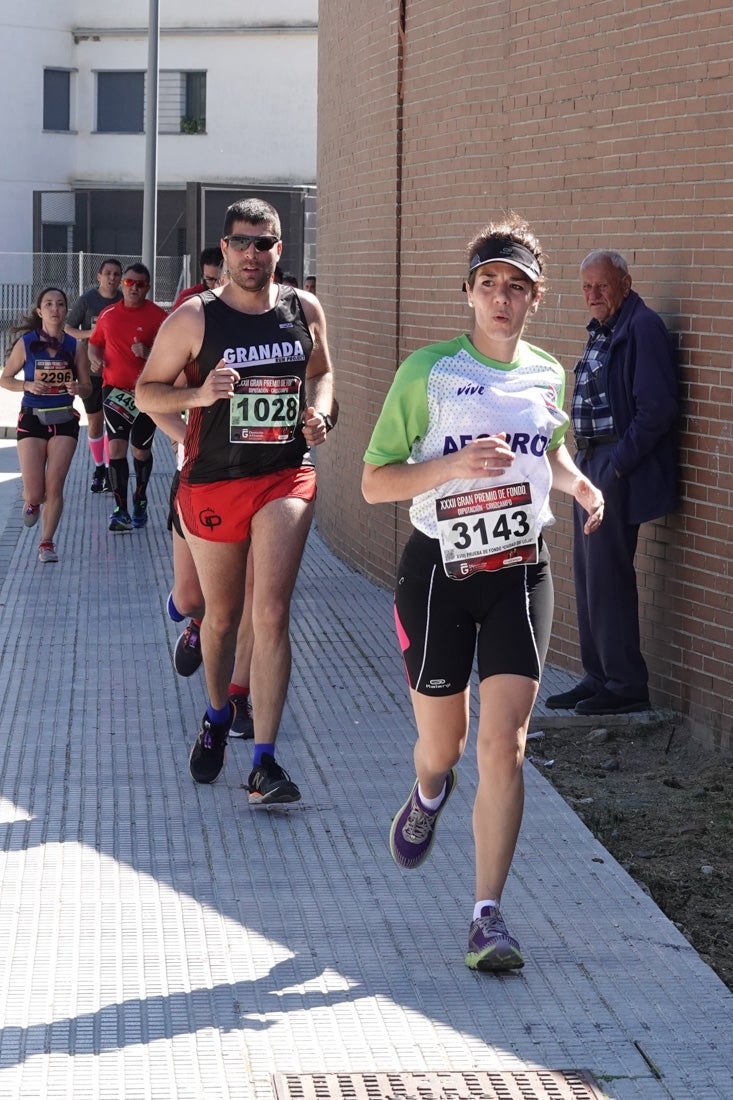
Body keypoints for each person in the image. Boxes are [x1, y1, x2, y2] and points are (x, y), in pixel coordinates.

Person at [362, 214, 604, 972]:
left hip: (520, 573)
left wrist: (579, 484)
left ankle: (485, 916)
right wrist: (450, 468)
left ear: (537, 299)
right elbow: (374, 481)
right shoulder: (427, 373)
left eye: (518, 287)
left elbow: (548, 452)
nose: (502, 298)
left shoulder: (544, 373)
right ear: (467, 292)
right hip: (438, 573)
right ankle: (428, 792)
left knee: (505, 744)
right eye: (489, 283)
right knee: (447, 745)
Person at [136, 196, 336, 802]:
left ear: (281, 249)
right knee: (221, 619)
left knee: (270, 611)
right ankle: (218, 715)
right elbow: (146, 392)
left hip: (285, 475)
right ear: (224, 250)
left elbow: (321, 372)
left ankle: (265, 763)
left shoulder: (303, 309)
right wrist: (198, 397)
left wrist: (320, 414)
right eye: (242, 243)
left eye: (265, 242)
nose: (254, 253)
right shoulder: (195, 319)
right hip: (215, 481)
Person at [545, 250, 679, 716]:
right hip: (591, 460)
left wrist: (617, 465)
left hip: (614, 464)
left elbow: (657, 409)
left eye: (601, 286)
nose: (592, 296)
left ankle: (625, 684)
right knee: (587, 574)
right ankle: (598, 675)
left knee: (609, 575)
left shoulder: (642, 328)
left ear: (625, 282)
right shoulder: (604, 329)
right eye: (585, 288)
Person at [0, 287, 91, 562]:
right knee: (36, 491)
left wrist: (77, 387)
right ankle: (31, 501)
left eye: (60, 304)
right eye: (49, 304)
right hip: (32, 418)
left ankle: (46, 542)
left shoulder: (76, 345)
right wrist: (27, 384)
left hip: (64, 419)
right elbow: (5, 378)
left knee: (55, 485)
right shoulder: (26, 343)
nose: (55, 309)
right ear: (40, 311)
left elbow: (88, 387)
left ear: (65, 311)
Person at [88, 263, 167, 532]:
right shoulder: (107, 314)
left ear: (148, 287)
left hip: (146, 392)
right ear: (122, 283)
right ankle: (120, 510)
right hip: (115, 392)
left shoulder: (159, 317)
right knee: (116, 449)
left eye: (140, 284)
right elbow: (94, 342)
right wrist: (94, 360)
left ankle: (140, 498)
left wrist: (148, 352)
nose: (134, 288)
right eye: (129, 282)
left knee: (141, 450)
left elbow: (172, 356)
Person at [65, 257, 123, 493]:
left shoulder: (123, 300)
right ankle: (99, 467)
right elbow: (67, 328)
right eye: (107, 273)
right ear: (99, 276)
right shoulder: (87, 300)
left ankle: (112, 469)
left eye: (116, 274)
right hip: (91, 373)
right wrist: (92, 332)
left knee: (115, 423)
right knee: (96, 421)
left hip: (118, 372)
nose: (112, 277)